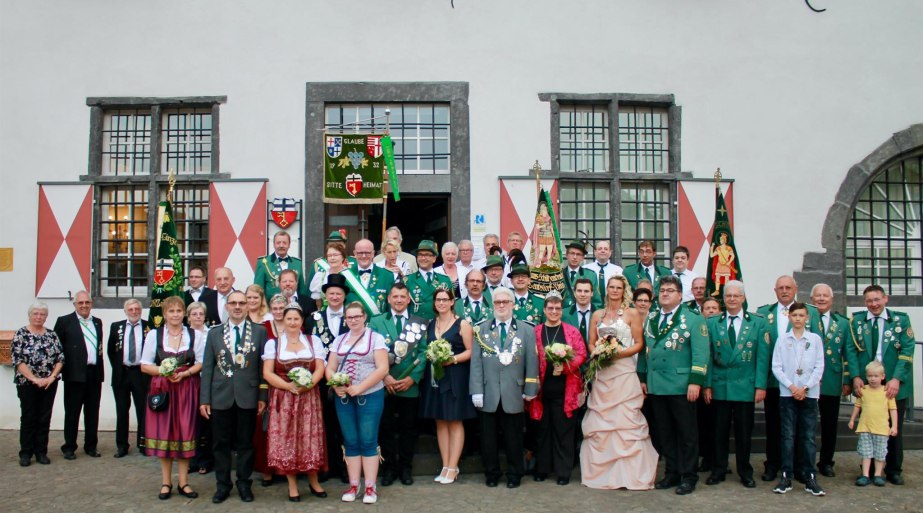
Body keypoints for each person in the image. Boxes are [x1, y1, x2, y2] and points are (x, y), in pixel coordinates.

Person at [581, 275, 657, 489]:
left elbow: (640, 343)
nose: (614, 290)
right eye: (611, 287)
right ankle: (602, 473)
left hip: (623, 372)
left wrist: (619, 353)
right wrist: (599, 353)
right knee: (603, 420)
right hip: (603, 373)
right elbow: (591, 342)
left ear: (624, 290)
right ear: (606, 290)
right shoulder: (598, 314)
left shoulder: (632, 313)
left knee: (625, 420)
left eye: (618, 287)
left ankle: (630, 473)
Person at [638, 275, 709, 495]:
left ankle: (689, 476)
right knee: (664, 432)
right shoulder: (651, 317)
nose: (665, 293)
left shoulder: (693, 319)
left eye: (670, 290)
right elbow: (644, 350)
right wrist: (642, 377)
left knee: (686, 433)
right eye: (662, 290)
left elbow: (700, 354)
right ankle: (672, 472)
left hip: (681, 385)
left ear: (680, 295)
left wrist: (696, 382)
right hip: (656, 385)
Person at [200, 290, 269, 504]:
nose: (238, 307)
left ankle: (244, 483)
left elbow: (261, 366)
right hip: (220, 396)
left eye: (242, 303)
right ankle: (222, 485)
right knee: (220, 444)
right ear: (227, 307)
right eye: (233, 303)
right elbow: (208, 368)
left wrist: (262, 396)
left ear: (248, 306)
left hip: (248, 396)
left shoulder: (259, 332)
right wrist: (205, 399)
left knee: (245, 444)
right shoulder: (214, 333)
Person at [469, 287, 539, 489]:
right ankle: (491, 473)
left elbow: (532, 362)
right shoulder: (480, 329)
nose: (501, 305)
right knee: (488, 439)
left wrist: (530, 389)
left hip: (513, 392)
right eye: (497, 302)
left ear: (512, 304)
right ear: (492, 305)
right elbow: (476, 363)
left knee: (514, 437)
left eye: (505, 302)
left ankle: (515, 473)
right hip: (488, 391)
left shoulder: (526, 330)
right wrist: (476, 390)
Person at [845, 284, 914, 485]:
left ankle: (893, 469)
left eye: (877, 300)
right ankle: (868, 469)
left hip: (892, 383)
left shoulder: (901, 320)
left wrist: (896, 379)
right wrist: (856, 377)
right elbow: (850, 351)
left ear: (886, 299)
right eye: (869, 301)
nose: (873, 304)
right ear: (864, 302)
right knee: (868, 426)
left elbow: (907, 351)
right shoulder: (857, 321)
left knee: (893, 427)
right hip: (868, 384)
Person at [702, 281, 769, 488]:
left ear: (743, 298)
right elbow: (708, 356)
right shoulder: (713, 322)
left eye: (736, 296)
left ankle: (745, 471)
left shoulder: (757, 322)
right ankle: (718, 469)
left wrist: (760, 386)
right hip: (720, 386)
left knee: (743, 433)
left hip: (745, 386)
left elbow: (762, 357)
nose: (732, 299)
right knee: (719, 432)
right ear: (724, 299)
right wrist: (707, 385)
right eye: (728, 296)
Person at [756, 275, 822, 482]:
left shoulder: (810, 312)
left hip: (802, 384)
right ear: (775, 291)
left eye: (788, 287)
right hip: (774, 379)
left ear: (795, 289)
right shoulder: (763, 313)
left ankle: (801, 467)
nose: (784, 291)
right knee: (775, 426)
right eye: (780, 288)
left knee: (803, 428)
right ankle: (773, 465)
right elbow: (761, 351)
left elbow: (818, 346)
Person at [261, 303, 328, 502]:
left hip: (309, 397)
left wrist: (308, 384)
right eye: (288, 319)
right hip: (284, 397)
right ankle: (292, 485)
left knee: (309, 438)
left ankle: (314, 480)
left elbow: (319, 368)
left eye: (296, 319)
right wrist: (288, 386)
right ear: (283, 320)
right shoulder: (273, 343)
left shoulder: (312, 340)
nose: (292, 322)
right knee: (287, 439)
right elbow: (267, 372)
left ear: (301, 321)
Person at [141, 296, 205, 500]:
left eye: (179, 311)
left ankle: (183, 482)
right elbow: (144, 365)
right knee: (164, 435)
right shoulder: (154, 335)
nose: (175, 314)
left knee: (185, 433)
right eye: (171, 311)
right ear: (164, 314)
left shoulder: (194, 335)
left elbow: (201, 362)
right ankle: (166, 482)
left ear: (183, 313)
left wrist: (185, 373)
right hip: (163, 390)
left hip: (187, 388)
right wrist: (163, 370)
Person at [326, 302, 390, 504]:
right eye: (349, 317)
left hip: (370, 394)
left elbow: (382, 369)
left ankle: (370, 486)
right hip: (344, 396)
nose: (353, 320)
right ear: (345, 320)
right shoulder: (340, 340)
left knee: (368, 439)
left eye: (356, 316)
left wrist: (360, 387)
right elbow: (330, 367)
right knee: (351, 440)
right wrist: (335, 384)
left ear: (364, 317)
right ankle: (354, 484)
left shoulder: (375, 338)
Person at [368, 283, 428, 486]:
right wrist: (384, 377)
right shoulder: (376, 322)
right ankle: (388, 469)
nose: (399, 300)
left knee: (408, 430)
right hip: (383, 385)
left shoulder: (419, 323)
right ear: (389, 299)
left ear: (409, 299)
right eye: (395, 296)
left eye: (403, 296)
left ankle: (405, 468)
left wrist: (413, 378)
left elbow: (423, 352)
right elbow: (372, 352)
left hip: (408, 386)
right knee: (385, 429)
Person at [529, 292, 586, 485]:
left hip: (565, 389)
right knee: (542, 431)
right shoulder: (536, 332)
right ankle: (543, 469)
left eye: (557, 308)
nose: (554, 312)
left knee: (564, 432)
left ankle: (563, 472)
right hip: (541, 391)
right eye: (550, 308)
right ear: (544, 310)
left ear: (562, 310)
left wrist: (567, 367)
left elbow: (581, 354)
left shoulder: (571, 331)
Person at [421, 286, 476, 485]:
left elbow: (471, 351)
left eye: (445, 299)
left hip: (455, 376)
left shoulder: (462, 324)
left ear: (452, 302)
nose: (441, 303)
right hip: (435, 377)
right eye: (438, 300)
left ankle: (453, 466)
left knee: (454, 420)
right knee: (440, 421)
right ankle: (445, 465)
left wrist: (451, 359)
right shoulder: (430, 324)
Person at [771, 301, 826, 496]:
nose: (798, 319)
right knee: (787, 436)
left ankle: (810, 476)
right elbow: (776, 367)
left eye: (801, 315)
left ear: (807, 318)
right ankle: (786, 475)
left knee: (808, 437)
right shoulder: (782, 339)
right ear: (789, 317)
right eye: (794, 315)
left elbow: (819, 366)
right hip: (788, 393)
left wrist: (806, 387)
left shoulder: (815, 339)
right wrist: (793, 386)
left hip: (809, 394)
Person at [309, 273, 350, 482]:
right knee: (325, 424)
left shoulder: (352, 317)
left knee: (345, 424)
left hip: (347, 379)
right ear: (325, 296)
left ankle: (345, 467)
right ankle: (327, 466)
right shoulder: (314, 319)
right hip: (322, 380)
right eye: (331, 293)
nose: (334, 297)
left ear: (344, 296)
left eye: (338, 293)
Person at [54, 290, 104, 460]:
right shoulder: (64, 321)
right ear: (75, 304)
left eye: (87, 302)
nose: (84, 305)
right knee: (72, 412)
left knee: (92, 412)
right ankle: (69, 447)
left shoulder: (97, 322)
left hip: (93, 373)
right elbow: (57, 349)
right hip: (74, 375)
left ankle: (91, 446)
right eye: (80, 303)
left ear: (91, 304)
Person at [12, 301, 63, 466]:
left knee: (44, 417)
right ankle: (26, 453)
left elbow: (60, 358)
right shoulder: (21, 334)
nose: (39, 317)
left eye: (42, 314)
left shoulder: (51, 335)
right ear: (30, 315)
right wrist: (34, 379)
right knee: (28, 417)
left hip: (49, 383)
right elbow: (17, 360)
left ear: (46, 317)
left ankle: (41, 452)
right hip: (27, 383)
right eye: (36, 313)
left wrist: (52, 377)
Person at [811, 283, 852, 478]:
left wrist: (847, 380)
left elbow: (847, 353)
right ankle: (805, 460)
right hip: (808, 381)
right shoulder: (805, 318)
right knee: (807, 424)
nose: (821, 298)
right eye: (817, 295)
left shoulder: (843, 323)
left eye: (825, 296)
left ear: (831, 299)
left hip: (831, 380)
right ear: (811, 299)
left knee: (829, 424)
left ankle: (826, 462)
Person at [106, 298, 152, 458]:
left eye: (137, 309)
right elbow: (111, 351)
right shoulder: (116, 327)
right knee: (121, 410)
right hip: (122, 374)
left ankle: (143, 443)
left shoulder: (149, 327)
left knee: (142, 410)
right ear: (125, 311)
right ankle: (122, 445)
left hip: (141, 373)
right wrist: (119, 368)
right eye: (131, 309)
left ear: (141, 311)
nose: (134, 312)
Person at [848, 361, 899, 487]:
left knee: (880, 453)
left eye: (876, 376)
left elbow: (893, 409)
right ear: (866, 376)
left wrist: (894, 426)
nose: (873, 379)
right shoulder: (863, 390)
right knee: (866, 452)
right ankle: (865, 475)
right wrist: (852, 419)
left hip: (881, 429)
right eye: (870, 376)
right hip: (865, 427)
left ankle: (877, 474)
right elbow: (858, 405)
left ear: (882, 376)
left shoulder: (887, 392)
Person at [186, 302, 213, 475]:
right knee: (190, 422)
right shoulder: (182, 334)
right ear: (188, 317)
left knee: (207, 422)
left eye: (200, 314)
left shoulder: (211, 333)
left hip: (207, 381)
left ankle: (206, 459)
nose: (197, 317)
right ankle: (192, 459)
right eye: (194, 314)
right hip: (189, 381)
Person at [405, 240, 453, 320]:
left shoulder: (445, 280)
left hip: (439, 325)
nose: (423, 258)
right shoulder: (407, 280)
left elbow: (451, 306)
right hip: (415, 326)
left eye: (427, 255)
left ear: (434, 258)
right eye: (420, 255)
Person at [346, 238, 395, 316]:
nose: (364, 256)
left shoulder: (387, 276)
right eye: (360, 253)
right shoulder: (346, 275)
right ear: (354, 253)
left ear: (373, 253)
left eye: (367, 253)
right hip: (353, 325)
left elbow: (391, 307)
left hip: (378, 326)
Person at [254, 230, 306, 298]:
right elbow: (258, 291)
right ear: (274, 244)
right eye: (278, 243)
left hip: (293, 306)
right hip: (272, 306)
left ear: (289, 245)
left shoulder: (297, 263)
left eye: (284, 243)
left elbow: (302, 290)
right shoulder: (264, 263)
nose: (281, 245)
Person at [562, 241, 602, 311]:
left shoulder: (591, 275)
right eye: (572, 253)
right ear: (566, 255)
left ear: (583, 257)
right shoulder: (558, 275)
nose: (575, 257)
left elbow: (597, 302)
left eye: (578, 254)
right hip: (563, 316)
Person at [310, 242, 350, 310]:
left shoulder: (350, 275)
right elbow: (318, 302)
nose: (332, 258)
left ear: (343, 257)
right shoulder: (320, 276)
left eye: (335, 255)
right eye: (329, 255)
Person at [562, 278, 595, 347]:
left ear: (592, 293)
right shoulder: (564, 314)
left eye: (586, 291)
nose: (582, 294)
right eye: (579, 291)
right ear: (574, 293)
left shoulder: (599, 314)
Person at [709, 232, 737, 296]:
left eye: (721, 240)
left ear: (724, 240)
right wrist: (712, 247)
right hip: (719, 264)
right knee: (717, 277)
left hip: (726, 265)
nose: (720, 241)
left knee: (726, 279)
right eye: (720, 240)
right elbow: (711, 255)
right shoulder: (718, 248)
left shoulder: (728, 248)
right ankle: (717, 291)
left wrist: (729, 262)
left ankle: (726, 291)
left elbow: (733, 256)